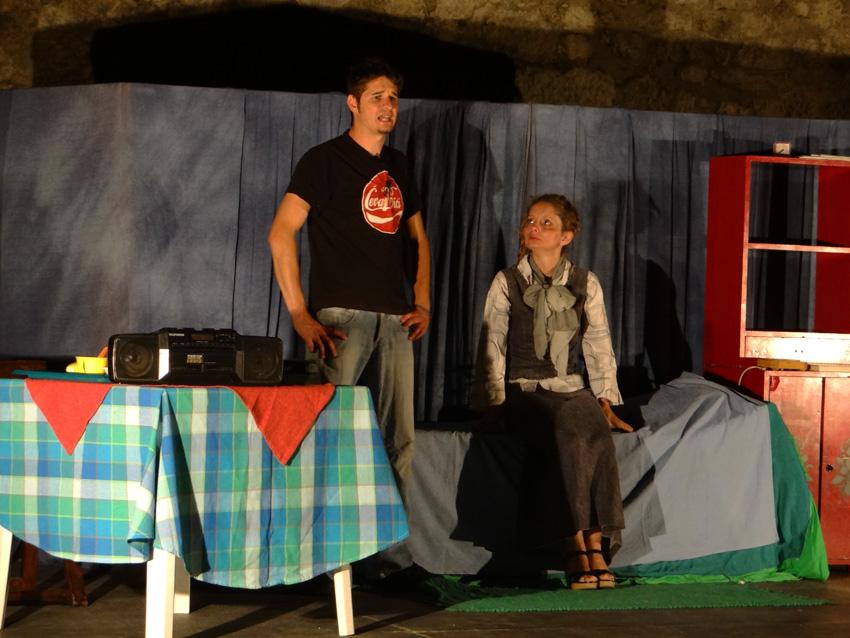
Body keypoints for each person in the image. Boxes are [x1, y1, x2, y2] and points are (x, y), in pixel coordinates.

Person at [267, 58, 431, 501]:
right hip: (342, 319)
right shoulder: (324, 160)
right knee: (329, 433)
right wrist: (299, 313)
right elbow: (281, 232)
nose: (388, 106)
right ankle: (321, 539)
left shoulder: (399, 165)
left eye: (393, 98)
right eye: (377, 97)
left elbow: (417, 239)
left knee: (398, 441)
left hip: (395, 321)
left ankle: (389, 541)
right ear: (353, 104)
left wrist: (422, 302)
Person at [477, 193, 632, 590]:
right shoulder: (508, 281)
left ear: (567, 236)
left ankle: (595, 542)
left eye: (547, 223)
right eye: (531, 221)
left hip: (569, 386)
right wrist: (493, 403)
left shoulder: (584, 282)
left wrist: (606, 400)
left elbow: (598, 343)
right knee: (564, 432)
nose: (535, 228)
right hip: (524, 389)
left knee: (594, 430)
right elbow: (492, 345)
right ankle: (572, 543)